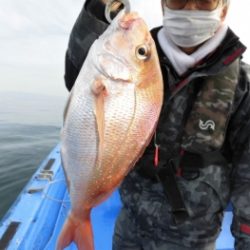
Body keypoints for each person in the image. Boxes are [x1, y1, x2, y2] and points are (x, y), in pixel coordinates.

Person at [64, 0, 250, 249]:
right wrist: (99, 9)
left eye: (205, 1)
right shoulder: (138, 56)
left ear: (224, 9)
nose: (190, 10)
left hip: (193, 240)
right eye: (178, 0)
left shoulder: (243, 86)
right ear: (163, 6)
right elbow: (77, 78)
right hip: (130, 225)